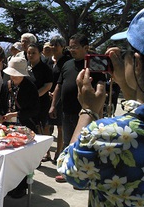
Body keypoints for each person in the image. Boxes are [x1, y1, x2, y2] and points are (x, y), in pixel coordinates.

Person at [57, 1, 144, 207]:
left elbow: (68, 169)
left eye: (128, 55)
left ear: (138, 63)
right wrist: (130, 86)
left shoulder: (110, 135)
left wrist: (89, 111)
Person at [49, 33, 106, 183]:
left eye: (75, 47)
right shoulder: (67, 63)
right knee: (69, 143)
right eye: (70, 47)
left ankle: (84, 176)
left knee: (87, 145)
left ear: (85, 47)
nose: (72, 50)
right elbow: (59, 86)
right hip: (67, 111)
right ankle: (68, 172)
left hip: (87, 113)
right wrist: (53, 104)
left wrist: (99, 111)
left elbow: (102, 89)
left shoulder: (95, 63)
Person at [0, 56, 40, 198]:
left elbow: (35, 109)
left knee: (21, 159)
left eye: (16, 75)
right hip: (8, 127)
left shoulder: (30, 86)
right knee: (9, 157)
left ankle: (21, 187)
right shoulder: (6, 85)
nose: (13, 77)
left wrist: (17, 114)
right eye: (12, 74)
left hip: (24, 127)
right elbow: (1, 105)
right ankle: (8, 185)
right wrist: (0, 116)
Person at [47, 35, 72, 163]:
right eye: (52, 44)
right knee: (47, 125)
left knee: (60, 126)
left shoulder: (67, 61)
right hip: (48, 96)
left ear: (63, 47)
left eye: (57, 45)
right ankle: (47, 153)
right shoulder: (49, 61)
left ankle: (59, 151)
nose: (54, 47)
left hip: (61, 98)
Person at [27, 44, 53, 135]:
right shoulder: (25, 67)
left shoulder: (45, 68)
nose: (30, 55)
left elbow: (48, 86)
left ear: (40, 54)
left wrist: (34, 96)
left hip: (41, 104)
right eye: (29, 53)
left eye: (33, 53)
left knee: (41, 130)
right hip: (27, 104)